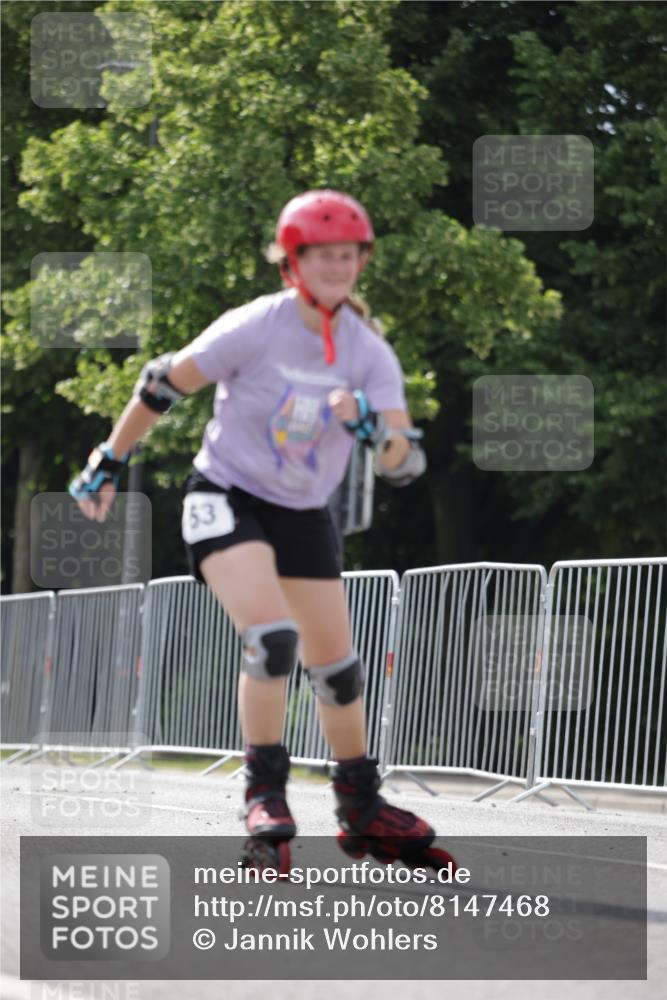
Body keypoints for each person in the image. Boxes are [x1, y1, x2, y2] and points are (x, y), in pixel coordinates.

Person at [69, 189, 454, 875]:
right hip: (226, 494)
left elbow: (404, 461)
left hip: (303, 512)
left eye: (349, 256)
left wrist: (369, 427)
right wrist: (107, 460)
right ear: (292, 264)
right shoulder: (257, 325)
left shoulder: (368, 353)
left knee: (337, 672)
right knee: (273, 638)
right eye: (323, 256)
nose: (338, 267)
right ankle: (265, 795)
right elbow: (162, 384)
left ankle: (359, 805)